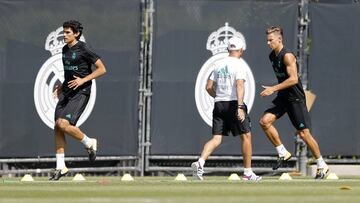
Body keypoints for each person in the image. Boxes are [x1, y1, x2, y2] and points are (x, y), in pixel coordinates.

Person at [259, 26, 328, 179]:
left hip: (295, 99)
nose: (268, 43)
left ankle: (322, 165)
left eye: (271, 40)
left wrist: (273, 89)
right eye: (267, 40)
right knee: (264, 122)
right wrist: (277, 90)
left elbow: (293, 79)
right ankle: (282, 151)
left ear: (279, 39)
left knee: (304, 134)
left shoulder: (288, 56)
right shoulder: (272, 56)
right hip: (283, 97)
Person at [191, 37, 261, 181]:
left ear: (228, 49)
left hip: (219, 104)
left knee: (216, 139)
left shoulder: (218, 63)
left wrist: (219, 96)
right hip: (234, 104)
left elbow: (208, 87)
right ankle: (248, 173)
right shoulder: (239, 64)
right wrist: (240, 107)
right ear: (241, 50)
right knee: (246, 136)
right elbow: (240, 85)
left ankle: (200, 162)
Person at [50, 20, 107, 180]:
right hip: (66, 93)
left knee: (63, 124)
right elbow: (68, 73)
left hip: (81, 92)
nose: (64, 35)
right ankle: (60, 167)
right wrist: (61, 86)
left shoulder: (84, 48)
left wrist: (83, 80)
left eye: (68, 32)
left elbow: (102, 69)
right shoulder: (63, 50)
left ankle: (89, 142)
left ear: (76, 34)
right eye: (64, 32)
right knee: (57, 127)